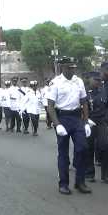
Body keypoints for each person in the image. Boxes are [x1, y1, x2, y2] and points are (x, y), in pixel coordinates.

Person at [46, 56, 92, 195]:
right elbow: (50, 106)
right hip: (62, 118)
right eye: (70, 67)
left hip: (77, 118)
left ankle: (80, 182)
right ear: (63, 67)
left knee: (83, 148)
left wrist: (86, 122)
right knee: (63, 152)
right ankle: (63, 184)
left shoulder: (79, 81)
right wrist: (57, 124)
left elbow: (84, 102)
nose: (73, 70)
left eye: (74, 67)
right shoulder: (55, 83)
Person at [84, 71, 108, 184]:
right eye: (95, 80)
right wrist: (85, 120)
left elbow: (107, 106)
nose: (98, 82)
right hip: (89, 121)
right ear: (90, 79)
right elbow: (80, 107)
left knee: (104, 146)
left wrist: (107, 118)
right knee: (89, 146)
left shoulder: (103, 91)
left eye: (99, 80)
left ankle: (106, 175)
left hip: (101, 122)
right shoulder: (85, 92)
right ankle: (89, 173)